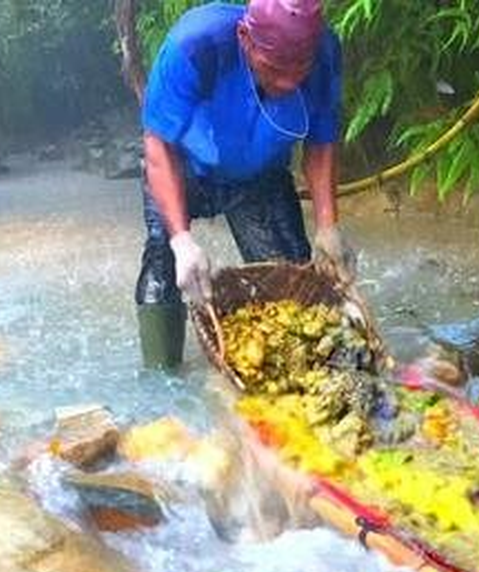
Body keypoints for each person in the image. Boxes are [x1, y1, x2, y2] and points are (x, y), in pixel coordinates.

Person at [135, 0, 352, 369]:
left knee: (291, 285)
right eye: (275, 69)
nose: (287, 83)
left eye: (299, 70)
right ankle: (162, 377)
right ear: (244, 37)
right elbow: (158, 146)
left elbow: (321, 140)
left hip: (258, 180)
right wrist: (181, 241)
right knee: (166, 264)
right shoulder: (195, 46)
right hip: (183, 170)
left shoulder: (325, 51)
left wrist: (328, 225)